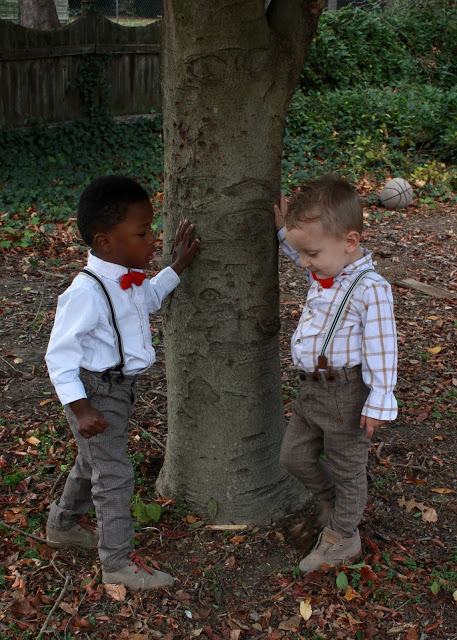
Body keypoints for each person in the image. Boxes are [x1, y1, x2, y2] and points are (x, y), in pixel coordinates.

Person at [45, 175, 199, 590]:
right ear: (106, 240)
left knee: (91, 460)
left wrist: (178, 266)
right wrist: (80, 408)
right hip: (95, 392)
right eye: (143, 232)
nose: (153, 240)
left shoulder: (127, 277)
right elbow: (58, 355)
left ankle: (62, 524)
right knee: (113, 474)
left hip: (119, 390)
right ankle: (116, 563)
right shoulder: (86, 291)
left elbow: (147, 299)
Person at [274, 174, 397, 573]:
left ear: (350, 242)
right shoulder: (325, 268)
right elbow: (304, 253)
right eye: (301, 254)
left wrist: (380, 398)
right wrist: (282, 230)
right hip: (309, 393)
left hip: (345, 396)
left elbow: (383, 347)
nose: (304, 263)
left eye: (310, 254)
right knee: (293, 456)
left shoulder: (370, 288)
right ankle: (332, 503)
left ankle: (343, 535)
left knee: (349, 468)